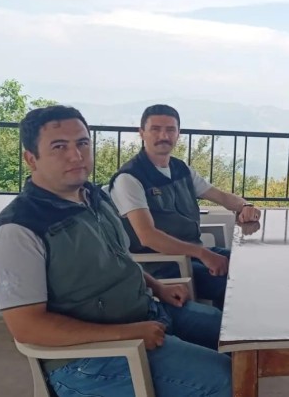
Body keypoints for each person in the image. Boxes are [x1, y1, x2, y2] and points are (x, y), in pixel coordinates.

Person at [0, 105, 231, 397]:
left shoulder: (93, 198)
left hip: (146, 312)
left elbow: (119, 259)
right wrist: (128, 333)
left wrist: (157, 287)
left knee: (235, 337)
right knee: (226, 379)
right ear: (31, 158)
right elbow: (28, 328)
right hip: (90, 359)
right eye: (59, 147)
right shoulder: (16, 231)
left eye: (82, 143)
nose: (76, 155)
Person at [109, 104, 260, 309]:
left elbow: (220, 196)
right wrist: (204, 254)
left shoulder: (180, 169)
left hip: (193, 253)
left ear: (178, 133)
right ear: (141, 133)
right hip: (163, 266)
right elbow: (148, 236)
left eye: (170, 129)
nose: (164, 135)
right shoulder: (129, 178)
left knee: (251, 264)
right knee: (237, 283)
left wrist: (245, 205)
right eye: (156, 129)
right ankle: (225, 325)